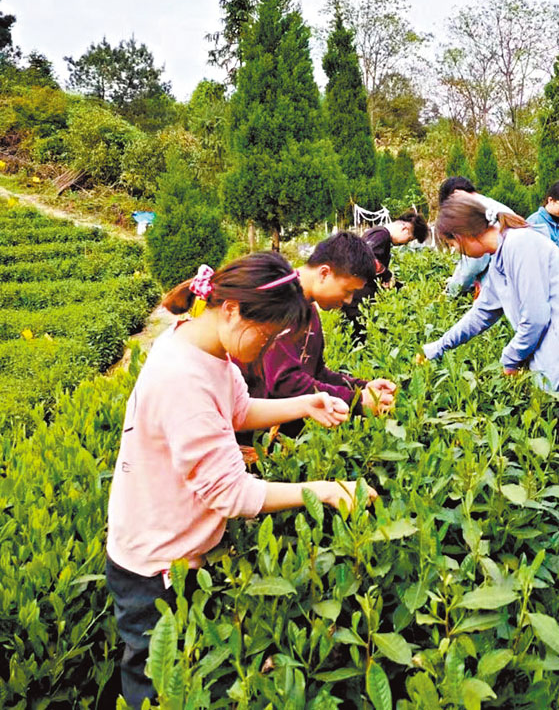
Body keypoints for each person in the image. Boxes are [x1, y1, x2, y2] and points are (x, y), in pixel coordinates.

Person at [106, 252, 377, 708]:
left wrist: (304, 403)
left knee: (179, 672)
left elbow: (236, 410)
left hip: (181, 546)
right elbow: (231, 492)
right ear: (231, 310)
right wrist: (327, 492)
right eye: (268, 337)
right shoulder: (182, 379)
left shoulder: (207, 349)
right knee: (154, 687)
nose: (269, 350)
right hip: (154, 566)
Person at [421, 191, 559, 623]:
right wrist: (435, 349)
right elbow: (481, 315)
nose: (457, 253)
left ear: (464, 234)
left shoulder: (523, 246)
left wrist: (509, 360)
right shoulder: (499, 262)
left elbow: (534, 317)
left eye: (454, 244)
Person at [240, 233, 396, 445]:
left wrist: (363, 388)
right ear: (324, 273)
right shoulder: (280, 305)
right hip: (250, 439)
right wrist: (357, 401)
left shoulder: (308, 311)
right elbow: (284, 382)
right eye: (348, 290)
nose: (348, 300)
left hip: (279, 439)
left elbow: (316, 372)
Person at [342, 210, 429, 334]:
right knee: (356, 337)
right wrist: (387, 275)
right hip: (356, 298)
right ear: (404, 228)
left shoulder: (379, 235)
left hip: (355, 296)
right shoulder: (381, 235)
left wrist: (395, 283)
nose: (405, 244)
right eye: (409, 239)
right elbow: (368, 259)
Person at [439, 176, 513, 297]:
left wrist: (450, 292)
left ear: (456, 193)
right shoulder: (488, 205)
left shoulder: (472, 215)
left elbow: (471, 267)